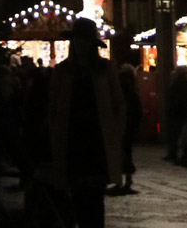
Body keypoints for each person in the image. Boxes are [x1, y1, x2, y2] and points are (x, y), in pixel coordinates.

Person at [45, 19, 124, 228]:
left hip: (97, 141)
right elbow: (53, 108)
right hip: (71, 140)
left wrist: (116, 132)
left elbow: (118, 104)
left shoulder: (105, 69)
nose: (81, 44)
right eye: (78, 40)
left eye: (85, 40)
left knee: (95, 199)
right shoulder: (62, 71)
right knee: (77, 198)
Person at [114, 63, 141, 193]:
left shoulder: (121, 86)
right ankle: (126, 180)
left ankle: (120, 180)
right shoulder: (132, 87)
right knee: (126, 152)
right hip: (128, 124)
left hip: (123, 123)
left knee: (122, 152)